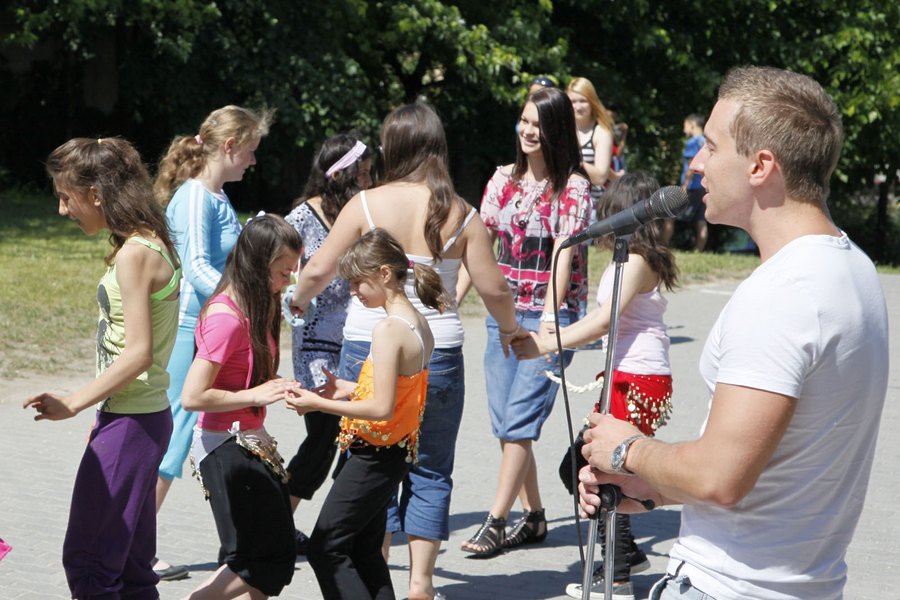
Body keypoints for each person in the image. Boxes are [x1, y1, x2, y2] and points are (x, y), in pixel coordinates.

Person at [577, 66, 889, 600]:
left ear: (760, 166)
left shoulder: (783, 292)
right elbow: (775, 469)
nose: (696, 163)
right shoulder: (852, 267)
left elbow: (721, 476)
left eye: (711, 146)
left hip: (729, 587)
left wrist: (628, 450)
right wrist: (652, 488)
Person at [290, 101, 520, 600]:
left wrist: (295, 302)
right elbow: (495, 290)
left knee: (373, 460)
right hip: (436, 351)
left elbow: (317, 270)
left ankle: (379, 563)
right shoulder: (460, 212)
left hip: (366, 348)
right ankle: (421, 583)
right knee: (432, 467)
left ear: (391, 147)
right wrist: (510, 331)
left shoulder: (367, 204)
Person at [25, 137, 181, 599]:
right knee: (131, 565)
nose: (61, 210)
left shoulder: (137, 253)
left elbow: (138, 355)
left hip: (133, 423)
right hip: (140, 419)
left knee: (90, 563)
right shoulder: (147, 242)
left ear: (96, 194)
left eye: (65, 198)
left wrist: (74, 402)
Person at [512, 171, 679, 600]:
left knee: (599, 471)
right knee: (588, 468)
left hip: (636, 378)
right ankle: (626, 554)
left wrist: (546, 343)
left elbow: (606, 320)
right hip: (627, 374)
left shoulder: (640, 261)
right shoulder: (633, 257)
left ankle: (618, 576)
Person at [460, 86, 592, 558]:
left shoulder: (573, 188)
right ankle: (535, 517)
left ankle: (496, 521)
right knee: (503, 422)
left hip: (550, 317)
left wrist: (550, 322)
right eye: (523, 121)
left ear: (556, 130)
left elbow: (563, 255)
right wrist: (450, 303)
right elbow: (479, 251)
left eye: (538, 124)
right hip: (505, 313)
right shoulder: (501, 181)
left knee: (519, 420)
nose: (527, 131)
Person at [287, 228, 443, 599]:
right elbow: (398, 391)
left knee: (327, 547)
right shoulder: (418, 323)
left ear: (384, 275)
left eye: (358, 282)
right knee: (363, 549)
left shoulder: (389, 329)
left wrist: (318, 403)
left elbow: (380, 407)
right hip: (393, 451)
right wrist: (349, 388)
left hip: (374, 453)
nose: (353, 292)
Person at [151, 104, 271, 579]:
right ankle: (134, 547)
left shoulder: (215, 196)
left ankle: (134, 542)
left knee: (176, 438)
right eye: (250, 151)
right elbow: (198, 266)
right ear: (229, 147)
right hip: (186, 329)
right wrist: (240, 303)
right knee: (173, 439)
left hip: (201, 327)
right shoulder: (198, 196)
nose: (253, 161)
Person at [180, 214, 301, 599]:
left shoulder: (254, 305)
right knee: (263, 559)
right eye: (283, 272)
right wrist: (256, 394)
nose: (288, 281)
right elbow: (193, 396)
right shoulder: (226, 319)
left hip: (247, 438)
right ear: (257, 263)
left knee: (262, 555)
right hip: (224, 445)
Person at [284, 133, 373, 553]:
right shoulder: (302, 218)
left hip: (355, 343)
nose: (371, 180)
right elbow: (285, 278)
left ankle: (340, 526)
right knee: (321, 437)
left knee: (352, 436)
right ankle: (274, 521)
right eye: (365, 173)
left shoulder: (359, 214)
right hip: (316, 345)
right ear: (342, 174)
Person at [567, 77, 617, 214]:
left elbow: (600, 176)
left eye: (583, 101)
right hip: (561, 205)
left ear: (592, 102)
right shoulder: (562, 129)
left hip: (590, 208)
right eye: (573, 101)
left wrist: (568, 160)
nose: (577, 106)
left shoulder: (601, 132)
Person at [661, 114, 707, 251]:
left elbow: (691, 165)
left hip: (692, 185)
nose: (684, 130)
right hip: (704, 185)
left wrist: (685, 186)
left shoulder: (693, 142)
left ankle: (662, 246)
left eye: (685, 126)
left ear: (693, 125)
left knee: (669, 214)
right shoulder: (706, 141)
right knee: (701, 219)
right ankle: (699, 250)